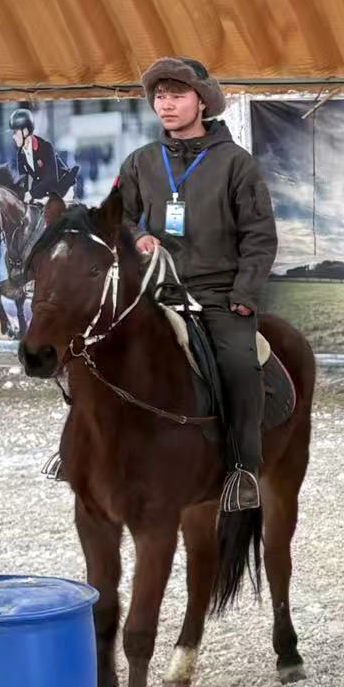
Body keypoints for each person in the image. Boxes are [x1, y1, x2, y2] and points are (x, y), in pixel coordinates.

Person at [117, 57, 277, 512]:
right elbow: (119, 216)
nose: (165, 105)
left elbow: (260, 236)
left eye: (176, 96)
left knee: (239, 365)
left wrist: (244, 295)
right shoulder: (141, 161)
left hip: (219, 292)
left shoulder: (237, 164)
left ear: (202, 101)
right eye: (159, 97)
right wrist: (137, 235)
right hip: (155, 288)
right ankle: (83, 447)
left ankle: (243, 469)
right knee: (97, 346)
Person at [9, 108, 68, 217]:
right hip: (43, 190)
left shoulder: (46, 147)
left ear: (25, 131)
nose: (13, 136)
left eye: (15, 132)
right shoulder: (20, 154)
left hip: (62, 187)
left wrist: (31, 194)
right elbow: (24, 180)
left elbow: (51, 179)